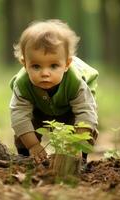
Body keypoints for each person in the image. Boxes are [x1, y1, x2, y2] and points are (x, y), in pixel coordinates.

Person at [9, 19, 98, 164]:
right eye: (36, 66)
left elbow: (85, 111)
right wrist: (33, 145)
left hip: (70, 108)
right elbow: (18, 116)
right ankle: (25, 157)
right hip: (38, 108)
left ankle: (81, 160)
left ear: (67, 64)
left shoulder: (75, 82)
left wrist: (76, 143)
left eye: (53, 66)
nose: (45, 73)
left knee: (84, 126)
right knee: (24, 129)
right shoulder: (22, 84)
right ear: (24, 64)